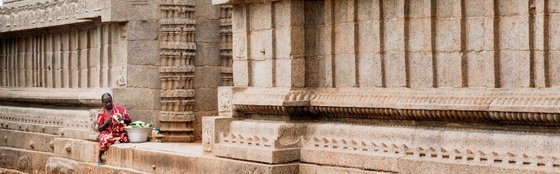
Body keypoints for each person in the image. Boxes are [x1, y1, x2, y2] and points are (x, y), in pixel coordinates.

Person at [96, 93, 132, 165]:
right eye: (106, 102)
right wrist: (106, 123)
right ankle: (99, 156)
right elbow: (100, 129)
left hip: (120, 132)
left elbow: (130, 121)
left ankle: (115, 140)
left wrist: (122, 119)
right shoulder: (101, 113)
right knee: (104, 140)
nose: (109, 103)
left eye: (110, 101)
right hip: (108, 133)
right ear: (103, 103)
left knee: (126, 138)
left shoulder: (120, 109)